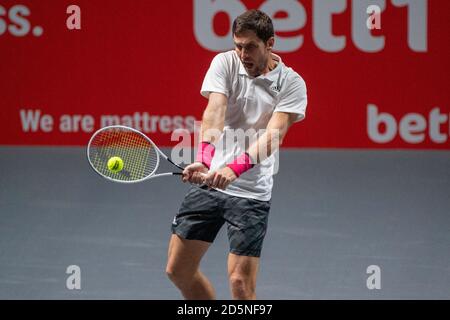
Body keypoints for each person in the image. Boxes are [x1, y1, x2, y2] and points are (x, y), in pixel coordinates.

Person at [166, 9, 307, 300]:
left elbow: (274, 136)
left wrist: (233, 170)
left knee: (240, 285)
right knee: (178, 270)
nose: (243, 53)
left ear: (270, 44)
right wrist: (205, 159)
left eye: (251, 46)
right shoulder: (225, 63)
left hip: (251, 193)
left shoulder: (292, 84)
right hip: (209, 182)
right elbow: (215, 111)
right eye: (238, 45)